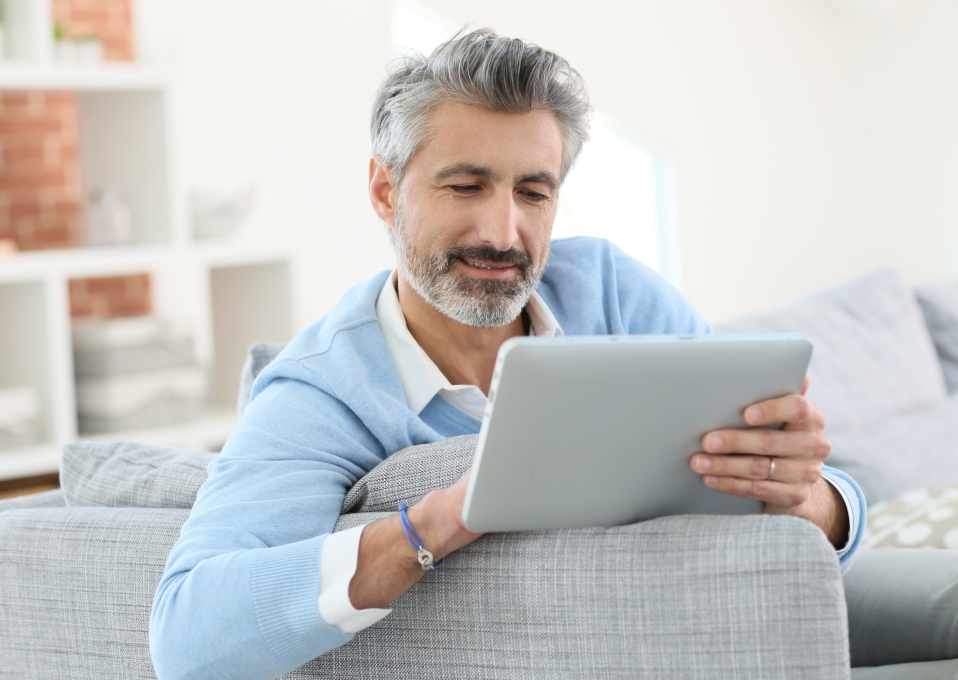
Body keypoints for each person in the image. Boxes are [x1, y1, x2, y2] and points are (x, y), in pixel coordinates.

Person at [149, 28, 864, 679]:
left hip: (719, 629)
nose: (504, 231)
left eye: (533, 192)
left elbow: (839, 518)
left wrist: (803, 495)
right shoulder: (320, 393)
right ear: (383, 189)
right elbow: (186, 637)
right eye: (466, 186)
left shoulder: (612, 295)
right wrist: (435, 525)